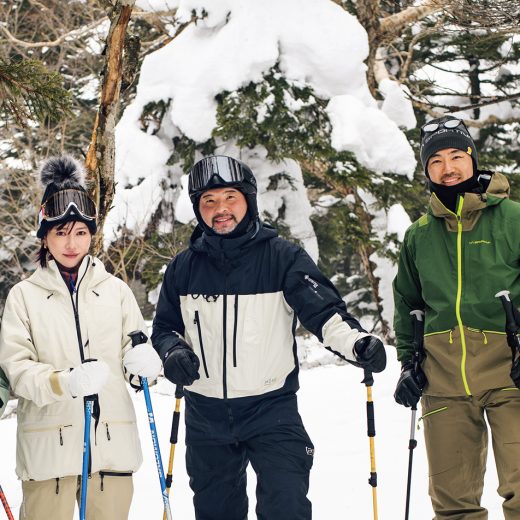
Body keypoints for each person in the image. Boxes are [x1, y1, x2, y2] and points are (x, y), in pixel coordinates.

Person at [152, 154, 387, 520]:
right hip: (206, 415)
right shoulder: (184, 267)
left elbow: (325, 315)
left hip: (271, 410)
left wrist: (357, 343)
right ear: (199, 209)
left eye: (230, 197)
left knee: (286, 507)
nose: (221, 209)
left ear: (249, 199)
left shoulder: (283, 257)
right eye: (209, 201)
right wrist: (173, 353)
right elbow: (165, 329)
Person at [0, 156, 162, 520]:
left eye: (80, 232)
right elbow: (18, 371)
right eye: (59, 232)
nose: (71, 243)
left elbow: (133, 351)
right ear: (45, 235)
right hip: (48, 451)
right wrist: (64, 382)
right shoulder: (23, 297)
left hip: (111, 448)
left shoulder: (116, 291)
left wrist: (143, 367)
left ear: (91, 234)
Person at [393, 115, 520, 519]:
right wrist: (407, 364)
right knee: (452, 504)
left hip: (511, 372)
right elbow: (407, 302)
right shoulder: (419, 235)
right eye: (435, 161)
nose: (447, 169)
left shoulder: (513, 220)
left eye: (455, 156)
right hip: (443, 379)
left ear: (472, 158)